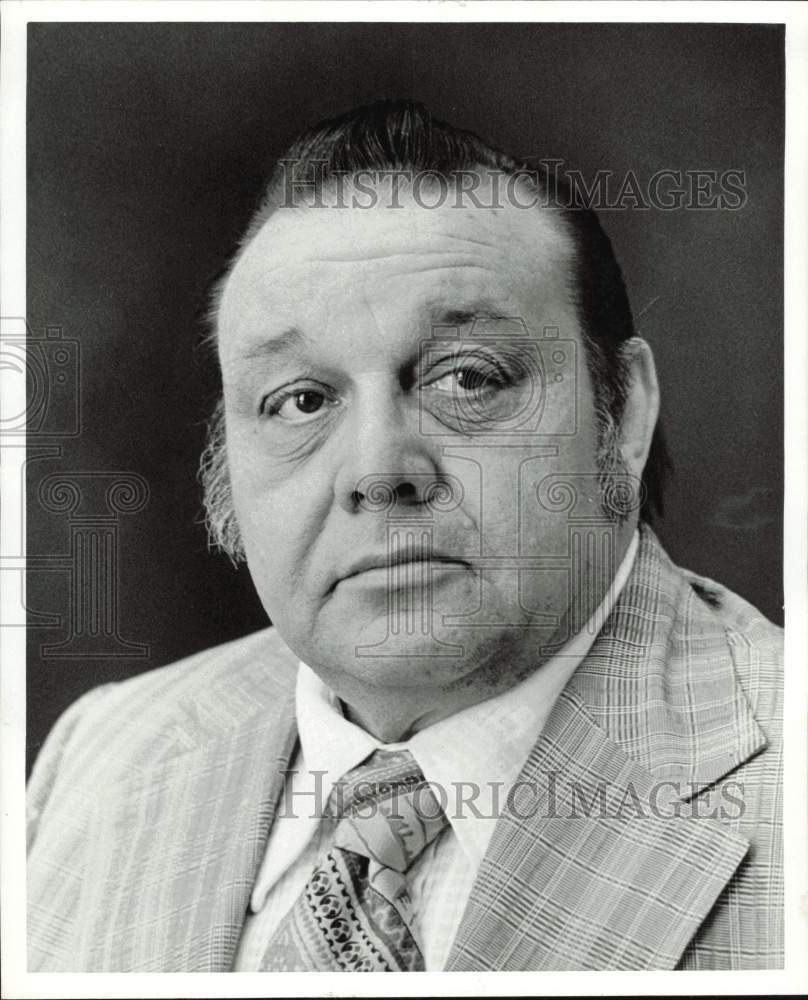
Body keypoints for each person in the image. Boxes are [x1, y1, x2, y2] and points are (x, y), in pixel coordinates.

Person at [27, 100, 782, 972]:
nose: (378, 468)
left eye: (467, 377)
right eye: (301, 400)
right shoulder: (101, 751)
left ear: (623, 415)